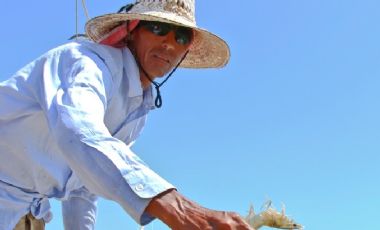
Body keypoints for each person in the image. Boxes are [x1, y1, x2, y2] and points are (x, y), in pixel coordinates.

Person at [0, 0, 253, 229]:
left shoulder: (137, 111)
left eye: (182, 36)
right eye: (157, 28)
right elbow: (77, 130)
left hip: (25, 215)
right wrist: (175, 206)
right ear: (131, 30)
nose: (169, 43)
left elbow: (85, 186)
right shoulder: (86, 63)